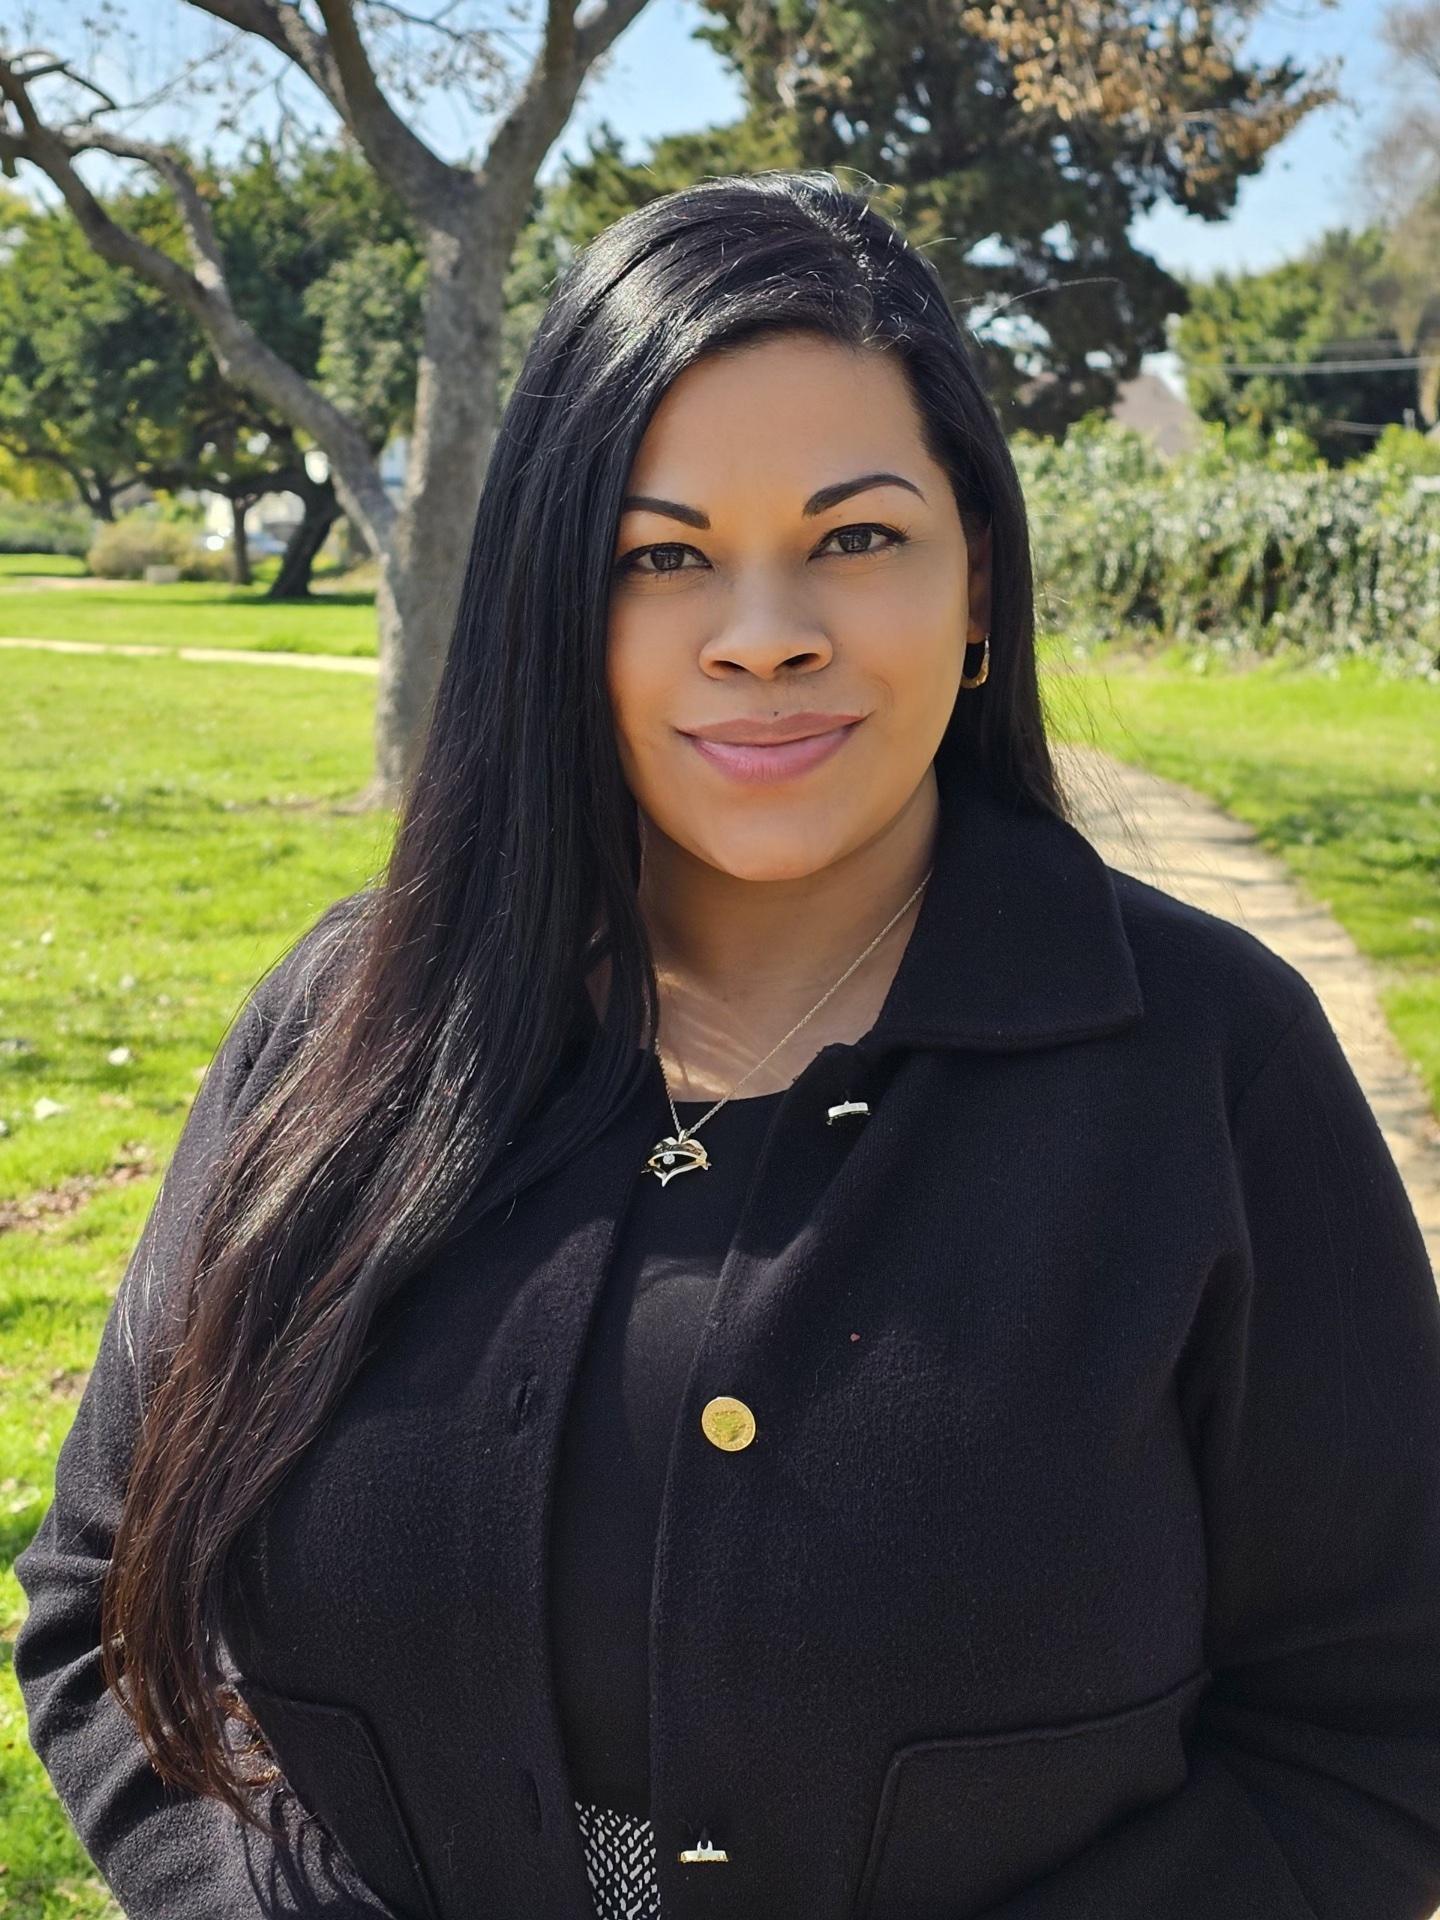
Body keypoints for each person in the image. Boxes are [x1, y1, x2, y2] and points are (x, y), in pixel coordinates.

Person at [14, 170, 1440, 1920]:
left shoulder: (1217, 1071)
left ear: (976, 578)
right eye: (662, 555)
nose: (764, 632)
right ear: (557, 604)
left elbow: (1370, 1740)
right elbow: (100, 1601)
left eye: (856, 537)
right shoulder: (344, 1029)